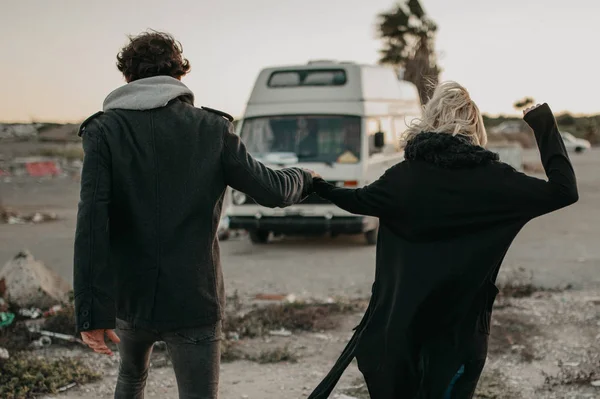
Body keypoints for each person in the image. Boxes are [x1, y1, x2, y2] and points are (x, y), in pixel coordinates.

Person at [73, 31, 312, 399]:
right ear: (179, 75)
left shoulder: (104, 130)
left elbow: (91, 225)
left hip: (131, 298)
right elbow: (273, 191)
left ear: (127, 77)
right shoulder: (212, 128)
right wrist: (306, 178)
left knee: (131, 379)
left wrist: (91, 315)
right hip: (193, 298)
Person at [306, 82, 578, 399]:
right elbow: (564, 191)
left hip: (398, 335)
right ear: (474, 125)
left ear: (430, 120)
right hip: (460, 340)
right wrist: (543, 124)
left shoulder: (403, 178)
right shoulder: (496, 180)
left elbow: (354, 200)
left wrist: (318, 186)